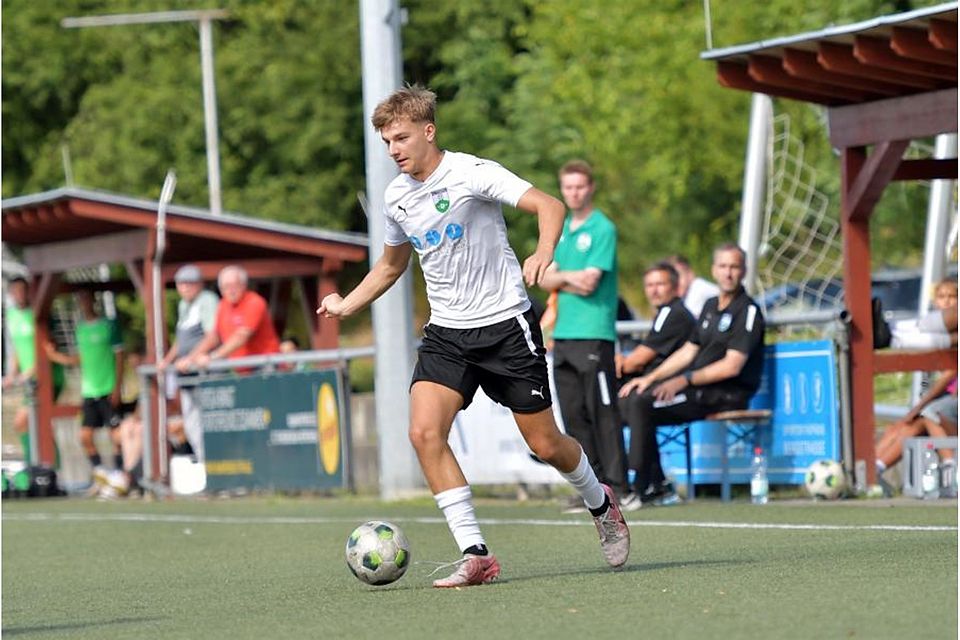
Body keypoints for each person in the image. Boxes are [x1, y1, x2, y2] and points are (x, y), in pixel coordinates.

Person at [318, 85, 629, 588]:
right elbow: (392, 265)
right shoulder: (396, 197)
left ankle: (601, 501)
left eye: (401, 138)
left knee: (547, 443)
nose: (394, 149)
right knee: (423, 433)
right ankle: (476, 552)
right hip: (447, 334)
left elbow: (548, 206)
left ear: (428, 131)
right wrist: (345, 303)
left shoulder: (472, 173)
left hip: (506, 325)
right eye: (386, 142)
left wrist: (544, 249)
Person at [619, 243, 765, 505]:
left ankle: (639, 487)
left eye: (734, 267)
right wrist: (650, 379)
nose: (728, 273)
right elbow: (688, 351)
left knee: (642, 403)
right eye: (723, 266)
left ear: (743, 271)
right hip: (697, 389)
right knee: (637, 396)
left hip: (725, 393)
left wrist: (684, 380)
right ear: (713, 270)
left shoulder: (748, 310)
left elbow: (732, 366)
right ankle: (656, 485)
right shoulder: (710, 305)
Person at [538, 160, 628, 509]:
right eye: (568, 187)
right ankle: (591, 490)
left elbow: (590, 284)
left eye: (580, 186)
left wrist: (562, 277)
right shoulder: (561, 231)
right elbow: (543, 277)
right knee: (574, 417)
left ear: (590, 187)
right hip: (563, 335)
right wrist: (566, 278)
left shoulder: (602, 228)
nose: (574, 193)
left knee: (603, 413)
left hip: (594, 333)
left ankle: (619, 486)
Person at [616, 262, 695, 509]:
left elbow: (638, 360)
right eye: (650, 285)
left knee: (635, 402)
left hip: (681, 391)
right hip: (658, 388)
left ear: (676, 287)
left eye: (661, 284)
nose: (654, 290)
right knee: (620, 402)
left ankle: (639, 482)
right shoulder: (664, 313)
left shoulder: (675, 313)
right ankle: (655, 482)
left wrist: (620, 362)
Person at [46, 290, 125, 486]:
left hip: (107, 388)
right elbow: (82, 358)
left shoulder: (109, 325)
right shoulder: (80, 329)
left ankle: (119, 474)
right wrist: (55, 357)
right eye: (80, 300)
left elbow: (120, 357)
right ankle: (101, 474)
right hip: (89, 392)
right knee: (85, 436)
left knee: (116, 435)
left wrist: (117, 386)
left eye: (87, 299)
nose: (84, 303)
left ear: (94, 301)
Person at [156, 264, 219, 461]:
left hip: (205, 374)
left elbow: (212, 336)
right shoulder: (184, 305)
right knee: (191, 423)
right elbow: (181, 340)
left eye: (189, 284)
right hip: (187, 376)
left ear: (200, 284)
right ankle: (204, 465)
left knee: (210, 421)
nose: (185, 288)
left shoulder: (208, 301)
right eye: (181, 284)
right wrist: (167, 360)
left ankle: (215, 468)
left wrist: (190, 358)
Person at [2, 277, 67, 463]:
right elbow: (17, 348)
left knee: (23, 422)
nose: (20, 295)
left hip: (49, 377)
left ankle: (45, 468)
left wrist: (31, 371)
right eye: (15, 291)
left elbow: (48, 349)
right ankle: (45, 466)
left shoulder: (39, 314)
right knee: (33, 424)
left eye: (23, 290)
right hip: (30, 380)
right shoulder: (12, 316)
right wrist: (12, 374)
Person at [176, 265, 280, 373]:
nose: (230, 290)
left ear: (244, 285)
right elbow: (214, 337)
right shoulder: (223, 305)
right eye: (225, 286)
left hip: (265, 367)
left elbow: (241, 336)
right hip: (242, 370)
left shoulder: (254, 302)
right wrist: (191, 358)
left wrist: (212, 357)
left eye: (234, 285)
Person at [889, 277, 958, 349]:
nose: (946, 301)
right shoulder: (927, 323)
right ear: (935, 301)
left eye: (952, 296)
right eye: (941, 297)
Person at [668, 254, 719, 319]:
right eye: (672, 279)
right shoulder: (686, 294)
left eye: (678, 276)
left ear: (690, 274)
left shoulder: (699, 289)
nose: (675, 283)